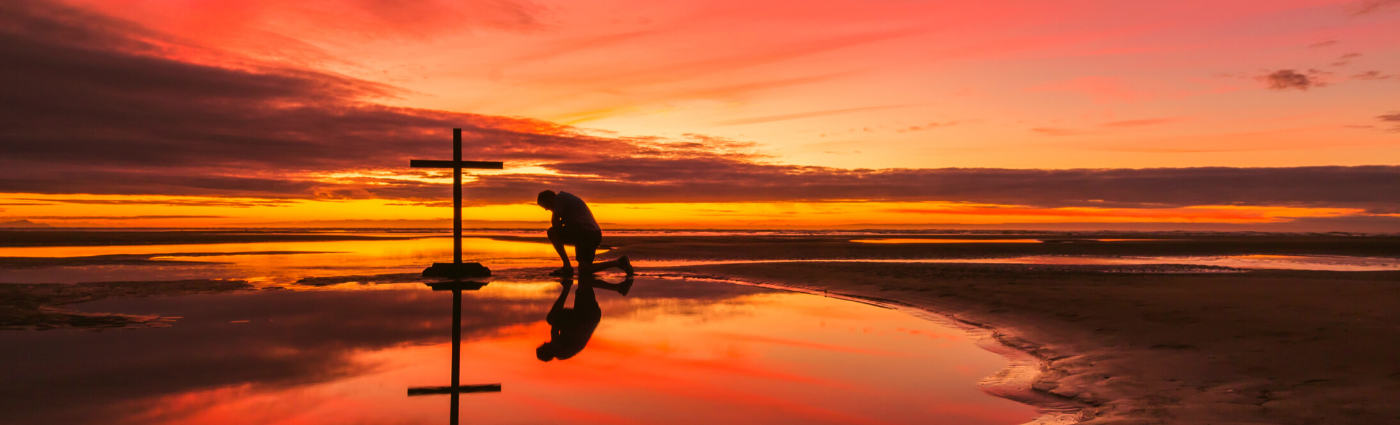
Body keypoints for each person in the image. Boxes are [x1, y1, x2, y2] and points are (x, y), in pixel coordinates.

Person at [536, 275, 633, 362]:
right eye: (544, 346)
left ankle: (617, 287)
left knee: (584, 285)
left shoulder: (562, 353)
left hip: (590, 318)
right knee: (551, 318)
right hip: (586, 318)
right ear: (547, 351)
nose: (545, 342)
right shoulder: (557, 350)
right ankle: (567, 287)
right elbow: (555, 328)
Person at [537, 190, 634, 277]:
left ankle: (567, 267)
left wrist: (561, 222)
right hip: (589, 234)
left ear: (549, 199)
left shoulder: (559, 199)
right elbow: (570, 223)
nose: (546, 209)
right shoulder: (564, 199)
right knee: (584, 270)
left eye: (545, 206)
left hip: (587, 234)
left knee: (552, 232)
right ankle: (619, 263)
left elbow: (555, 223)